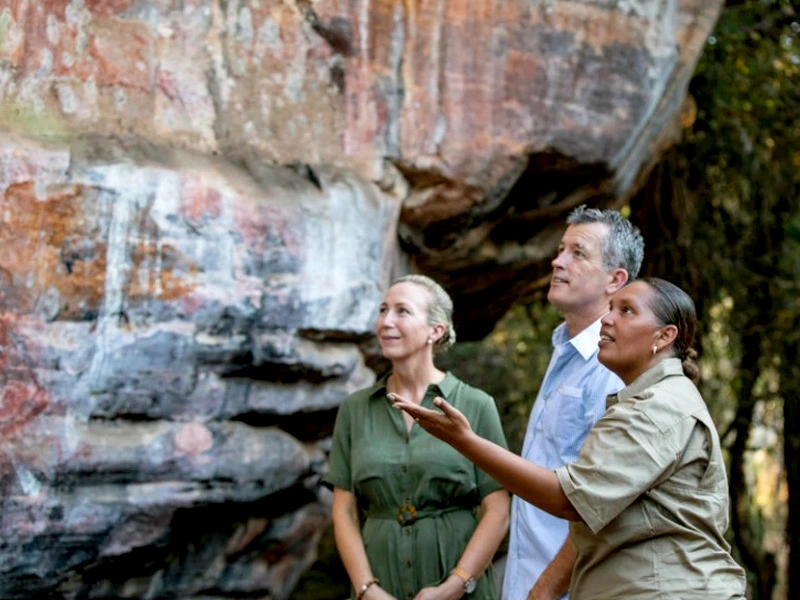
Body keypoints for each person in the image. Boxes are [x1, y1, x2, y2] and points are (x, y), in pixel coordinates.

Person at [391, 278, 748, 599]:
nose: (607, 319)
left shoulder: (658, 408)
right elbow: (598, 513)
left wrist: (466, 442)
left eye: (626, 311)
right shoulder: (647, 401)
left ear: (664, 336)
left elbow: (569, 500)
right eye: (610, 308)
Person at [324, 274, 510, 600]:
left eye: (402, 311)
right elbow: (344, 511)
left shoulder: (476, 405)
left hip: (460, 588)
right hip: (377, 585)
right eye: (383, 310)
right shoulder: (355, 409)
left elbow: (497, 509)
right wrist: (367, 590)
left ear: (435, 331)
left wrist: (456, 585)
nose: (385, 321)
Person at [504, 205, 644, 600]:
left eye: (577, 253)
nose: (557, 261)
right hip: (522, 580)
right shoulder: (563, 347)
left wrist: (545, 591)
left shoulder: (611, 369)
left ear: (615, 280)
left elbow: (605, 502)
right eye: (560, 249)